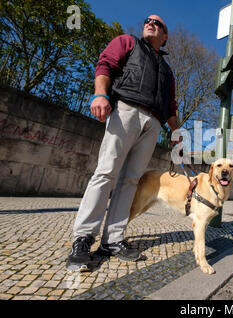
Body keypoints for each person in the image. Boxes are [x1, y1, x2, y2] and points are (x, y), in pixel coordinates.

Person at [67, 14, 179, 271]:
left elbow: (171, 105)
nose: (150, 23)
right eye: (148, 20)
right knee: (106, 172)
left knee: (130, 180)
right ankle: (83, 238)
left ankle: (113, 240)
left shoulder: (168, 71)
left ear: (165, 36)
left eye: (158, 23)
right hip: (125, 110)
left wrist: (176, 133)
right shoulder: (128, 42)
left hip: (154, 124)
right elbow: (105, 65)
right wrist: (100, 94)